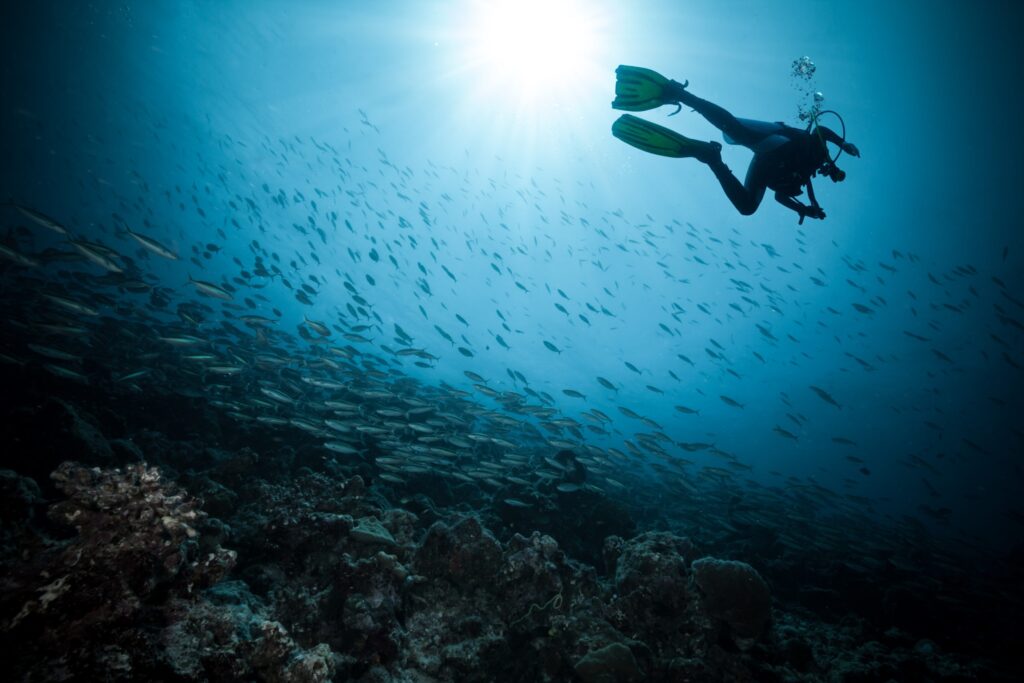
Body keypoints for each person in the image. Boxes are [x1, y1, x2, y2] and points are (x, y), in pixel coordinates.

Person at [611, 65, 860, 223]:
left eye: (833, 176)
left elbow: (779, 197)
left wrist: (803, 209)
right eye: (835, 173)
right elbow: (820, 130)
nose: (830, 173)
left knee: (747, 207)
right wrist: (843, 144)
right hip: (780, 142)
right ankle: (681, 95)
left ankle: (711, 157)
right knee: (738, 132)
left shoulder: (805, 177)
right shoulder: (819, 152)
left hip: (766, 163)